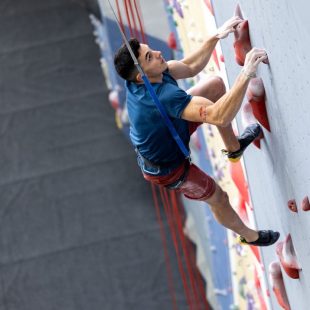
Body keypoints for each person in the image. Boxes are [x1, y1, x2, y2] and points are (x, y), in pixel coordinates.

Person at [113, 16, 279, 246]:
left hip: (170, 130)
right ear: (142, 76)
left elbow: (191, 67)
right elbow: (220, 115)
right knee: (218, 197)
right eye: (149, 56)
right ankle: (250, 236)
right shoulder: (164, 97)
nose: (158, 53)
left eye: (149, 49)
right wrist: (247, 73)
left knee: (215, 86)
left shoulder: (143, 77)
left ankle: (234, 148)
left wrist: (215, 36)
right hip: (166, 167)